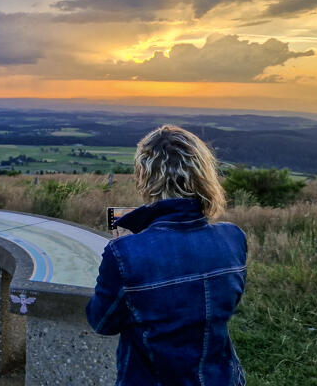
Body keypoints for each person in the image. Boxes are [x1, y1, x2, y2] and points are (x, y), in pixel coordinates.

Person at [86, 125, 247, 386]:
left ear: (144, 176)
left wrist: (126, 250)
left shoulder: (125, 253)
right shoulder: (233, 238)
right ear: (204, 174)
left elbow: (102, 322)